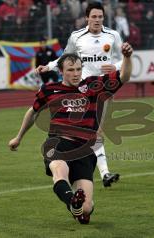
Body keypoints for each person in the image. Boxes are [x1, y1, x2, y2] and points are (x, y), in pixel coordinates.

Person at [8, 43, 133, 224]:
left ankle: (79, 207)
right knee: (59, 171)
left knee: (87, 209)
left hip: (84, 150)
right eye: (71, 70)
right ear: (61, 71)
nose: (76, 73)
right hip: (58, 143)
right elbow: (33, 112)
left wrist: (127, 57)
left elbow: (124, 76)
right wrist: (18, 137)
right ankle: (72, 201)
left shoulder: (93, 85)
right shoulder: (49, 90)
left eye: (78, 69)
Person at [35, 2, 122, 187]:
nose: (97, 20)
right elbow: (65, 57)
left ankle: (96, 171)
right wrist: (49, 66)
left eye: (100, 17)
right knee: (92, 131)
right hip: (82, 91)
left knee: (96, 131)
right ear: (87, 18)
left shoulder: (113, 36)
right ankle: (104, 172)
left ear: (103, 18)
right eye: (94, 17)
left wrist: (116, 67)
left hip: (104, 89)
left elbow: (123, 59)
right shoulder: (77, 37)